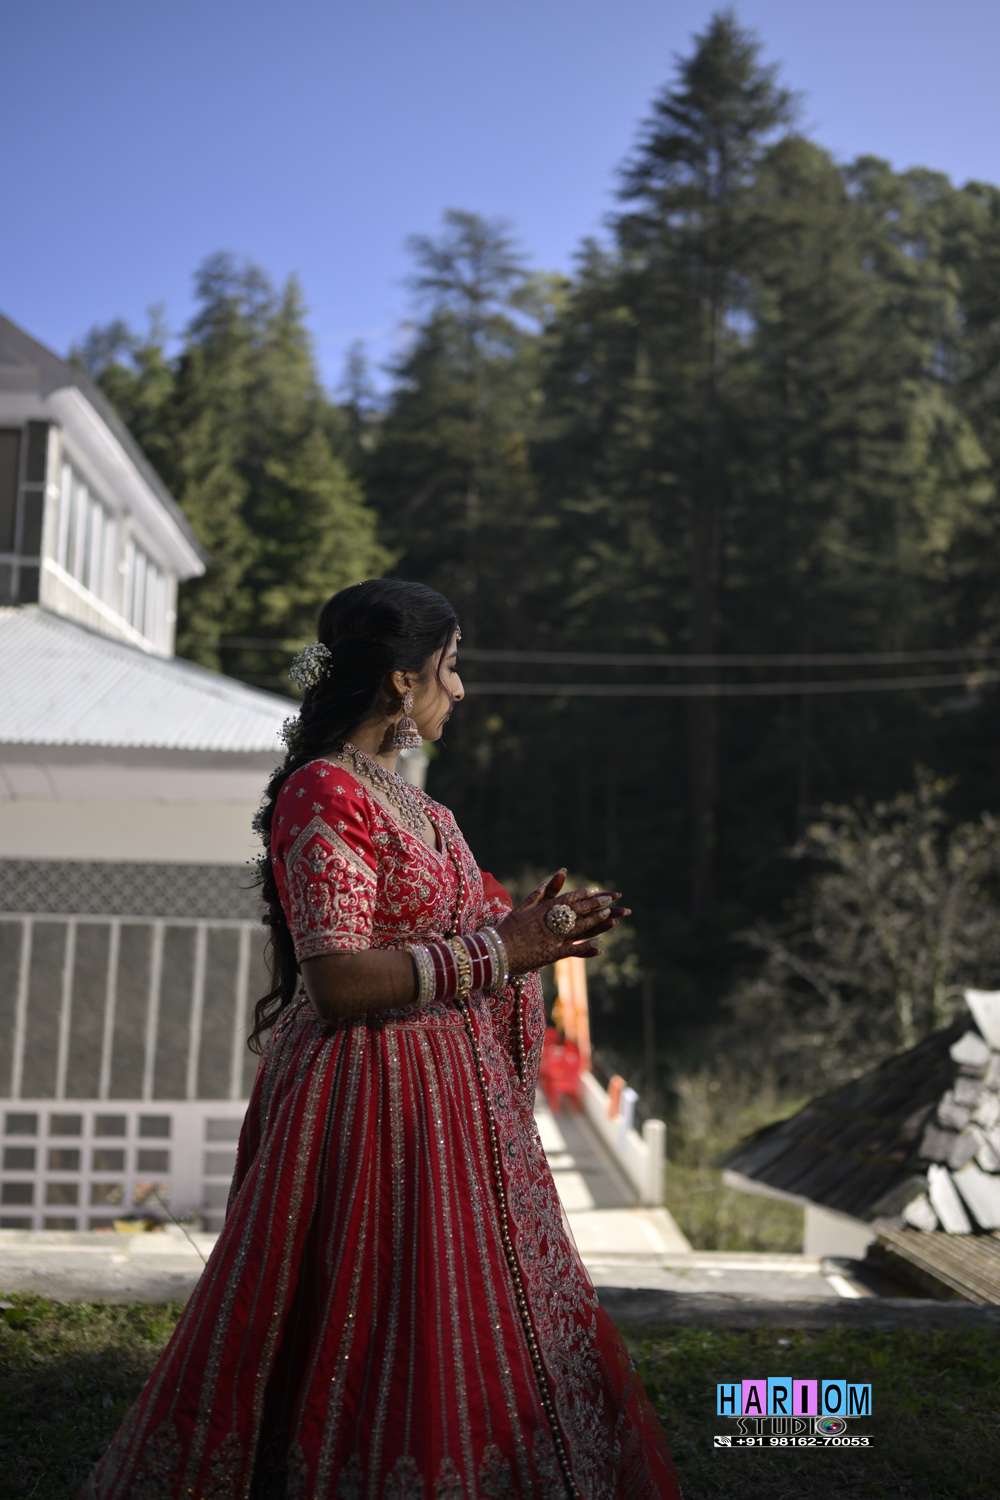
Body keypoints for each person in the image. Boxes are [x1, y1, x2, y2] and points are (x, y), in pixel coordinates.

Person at [78, 578, 684, 1498]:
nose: (461, 689)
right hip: (364, 1103)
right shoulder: (323, 792)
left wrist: (534, 935)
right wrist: (500, 949)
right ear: (404, 679)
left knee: (455, 1314)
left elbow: (472, 942)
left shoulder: (425, 811)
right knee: (367, 1315)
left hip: (450, 1107)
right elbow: (338, 978)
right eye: (452, 666)